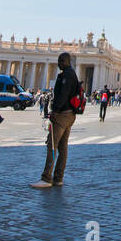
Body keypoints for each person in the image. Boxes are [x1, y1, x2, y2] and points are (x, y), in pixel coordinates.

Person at [32, 52, 81, 189]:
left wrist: (55, 110)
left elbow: (63, 95)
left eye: (61, 60)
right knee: (63, 147)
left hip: (62, 114)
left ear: (67, 61)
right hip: (70, 114)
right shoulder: (73, 74)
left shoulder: (66, 75)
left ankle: (47, 178)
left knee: (52, 145)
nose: (59, 63)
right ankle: (59, 178)